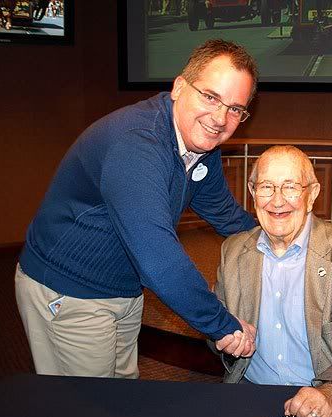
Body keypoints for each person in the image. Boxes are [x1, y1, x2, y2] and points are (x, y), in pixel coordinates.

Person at [15, 40, 259, 379]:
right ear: (179, 87)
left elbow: (224, 213)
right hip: (71, 291)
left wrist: (284, 237)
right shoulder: (136, 145)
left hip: (124, 287)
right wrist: (223, 325)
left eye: (235, 109)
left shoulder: (202, 148)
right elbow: (159, 259)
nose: (220, 118)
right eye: (210, 97)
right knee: (86, 404)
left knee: (123, 391)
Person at [212, 145, 332, 417]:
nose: (277, 201)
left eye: (290, 187)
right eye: (266, 187)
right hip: (249, 392)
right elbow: (217, 332)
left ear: (311, 194)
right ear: (252, 193)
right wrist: (224, 336)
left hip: (329, 398)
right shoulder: (233, 251)